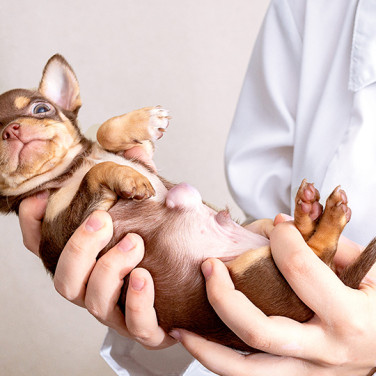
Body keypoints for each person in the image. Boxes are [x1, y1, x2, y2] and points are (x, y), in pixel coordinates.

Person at [18, 0, 376, 375]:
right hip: (236, 275)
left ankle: (317, 241)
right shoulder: (312, 8)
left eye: (38, 111)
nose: (16, 132)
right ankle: (314, 238)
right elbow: (263, 219)